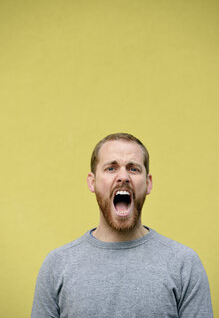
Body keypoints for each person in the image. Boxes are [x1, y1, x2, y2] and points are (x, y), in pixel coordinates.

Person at [31, 133, 213, 318]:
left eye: (133, 169)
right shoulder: (57, 265)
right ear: (92, 182)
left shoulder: (184, 264)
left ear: (148, 183)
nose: (123, 176)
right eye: (111, 168)